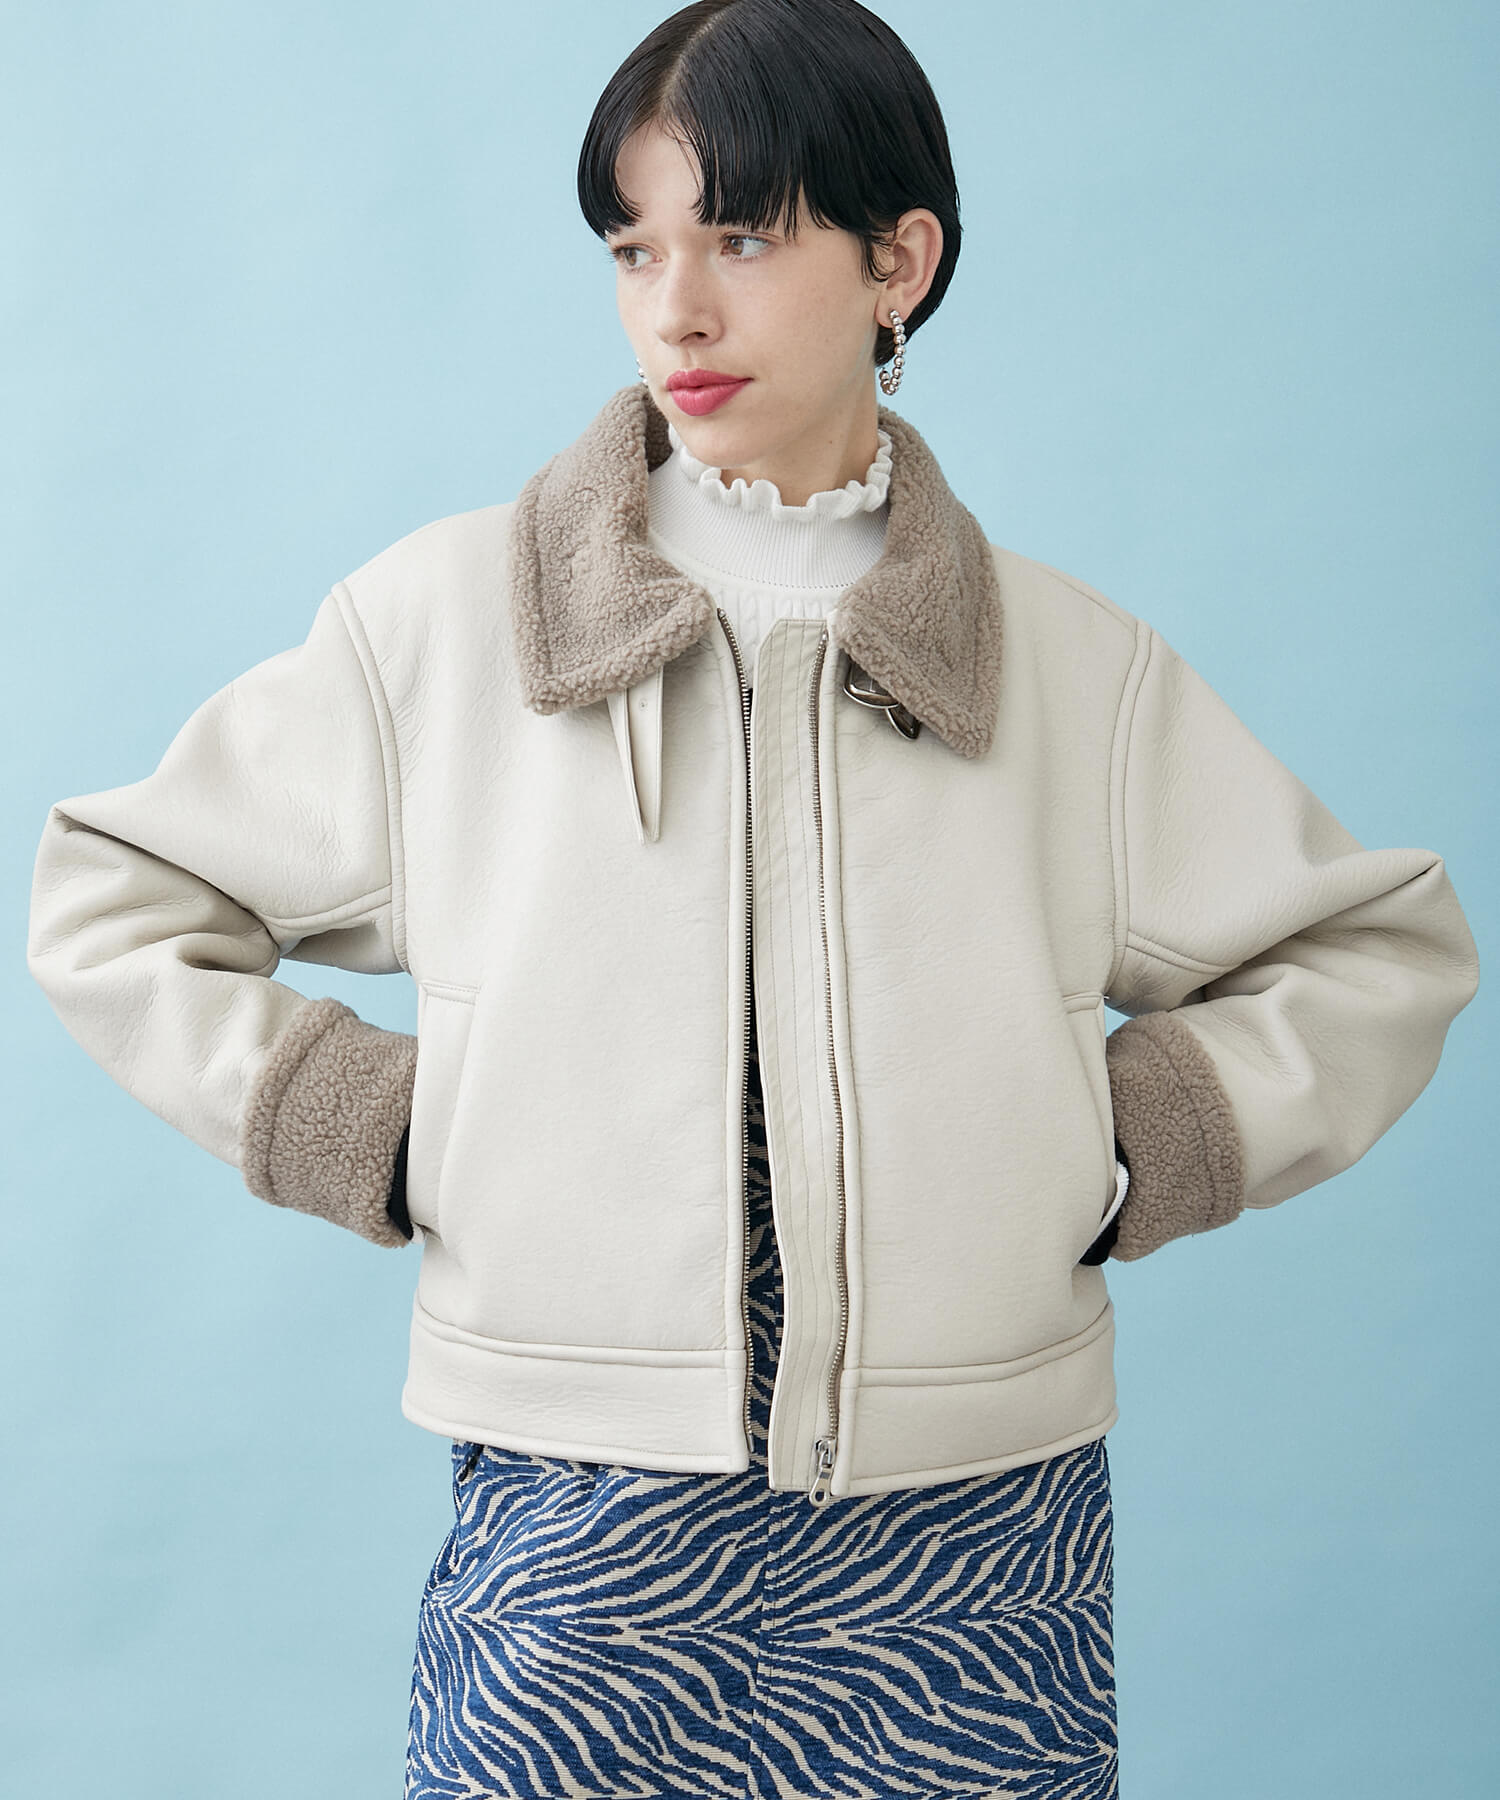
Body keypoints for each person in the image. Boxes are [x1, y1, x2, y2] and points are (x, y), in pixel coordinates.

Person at [25, 2, 1480, 1795]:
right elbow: (115, 895)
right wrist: (390, 1129)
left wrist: (1114, 1145)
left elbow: (1378, 949)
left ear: (899, 263)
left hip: (976, 1544)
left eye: (741, 236)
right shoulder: (445, 628)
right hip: (581, 1522)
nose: (677, 310)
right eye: (634, 248)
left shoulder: (1070, 669)